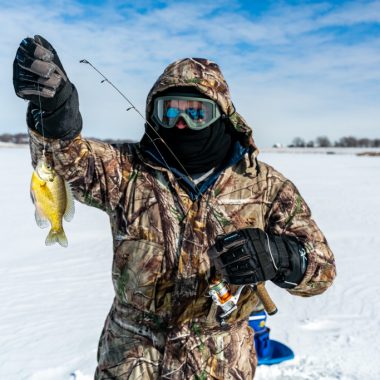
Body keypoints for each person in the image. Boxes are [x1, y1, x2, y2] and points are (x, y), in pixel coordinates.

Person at [13, 35, 336, 379]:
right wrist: (54, 112)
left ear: (222, 115)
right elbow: (62, 164)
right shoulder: (125, 169)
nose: (181, 124)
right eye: (170, 112)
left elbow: (322, 270)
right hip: (129, 361)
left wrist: (281, 256)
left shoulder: (267, 185)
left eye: (197, 113)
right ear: (154, 114)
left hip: (221, 365)